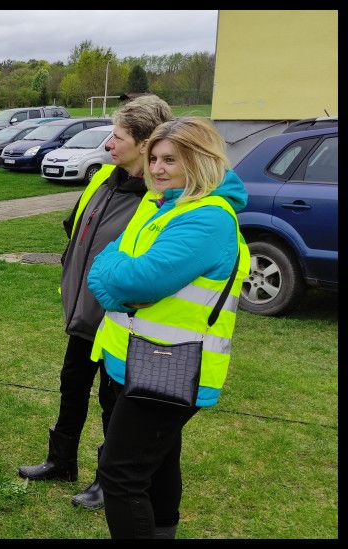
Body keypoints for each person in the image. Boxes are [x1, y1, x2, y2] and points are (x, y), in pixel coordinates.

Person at [87, 117, 249, 538]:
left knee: (120, 474)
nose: (157, 168)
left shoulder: (207, 218)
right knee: (157, 463)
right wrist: (115, 281)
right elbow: (110, 261)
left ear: (199, 161)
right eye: (155, 158)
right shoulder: (169, 205)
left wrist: (113, 284)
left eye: (170, 160)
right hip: (144, 360)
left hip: (172, 366)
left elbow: (136, 280)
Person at [17, 95, 175, 511]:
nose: (109, 144)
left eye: (118, 137)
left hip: (121, 319)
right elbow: (75, 227)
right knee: (72, 384)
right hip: (84, 311)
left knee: (113, 400)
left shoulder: (158, 197)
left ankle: (109, 480)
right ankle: (61, 460)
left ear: (145, 143)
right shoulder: (104, 176)